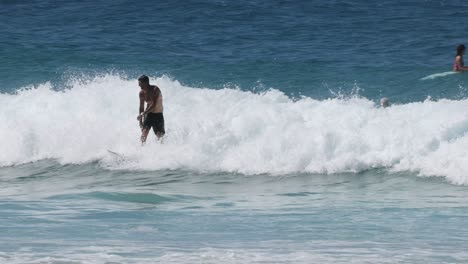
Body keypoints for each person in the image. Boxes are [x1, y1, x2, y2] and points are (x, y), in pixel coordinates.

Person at [137, 75, 165, 144]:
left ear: (146, 83)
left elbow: (154, 104)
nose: (139, 86)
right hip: (149, 114)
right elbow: (141, 107)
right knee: (144, 133)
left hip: (158, 114)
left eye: (140, 84)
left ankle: (162, 150)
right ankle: (141, 149)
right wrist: (140, 121)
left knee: (160, 136)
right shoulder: (141, 93)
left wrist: (143, 113)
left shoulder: (155, 89)